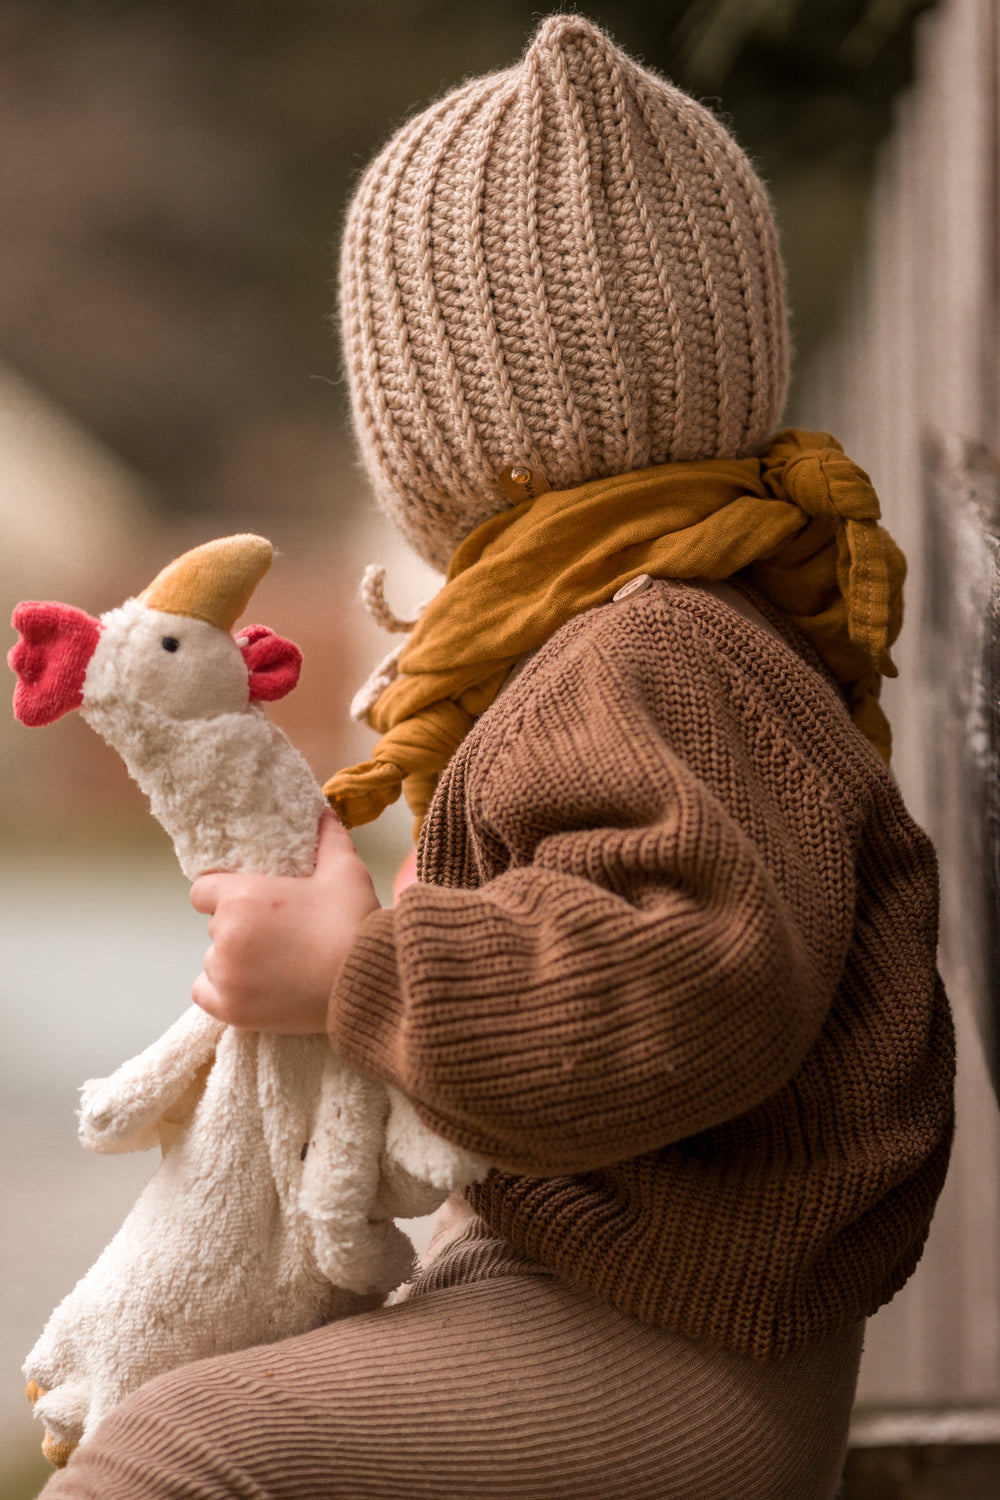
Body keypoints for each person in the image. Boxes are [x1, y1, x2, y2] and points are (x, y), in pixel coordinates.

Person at [43, 14, 954, 1499]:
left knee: (183, 1454)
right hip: (614, 1314)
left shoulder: (653, 649)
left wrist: (362, 976)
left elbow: (691, 984)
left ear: (451, 419)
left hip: (677, 1364)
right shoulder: (636, 626)